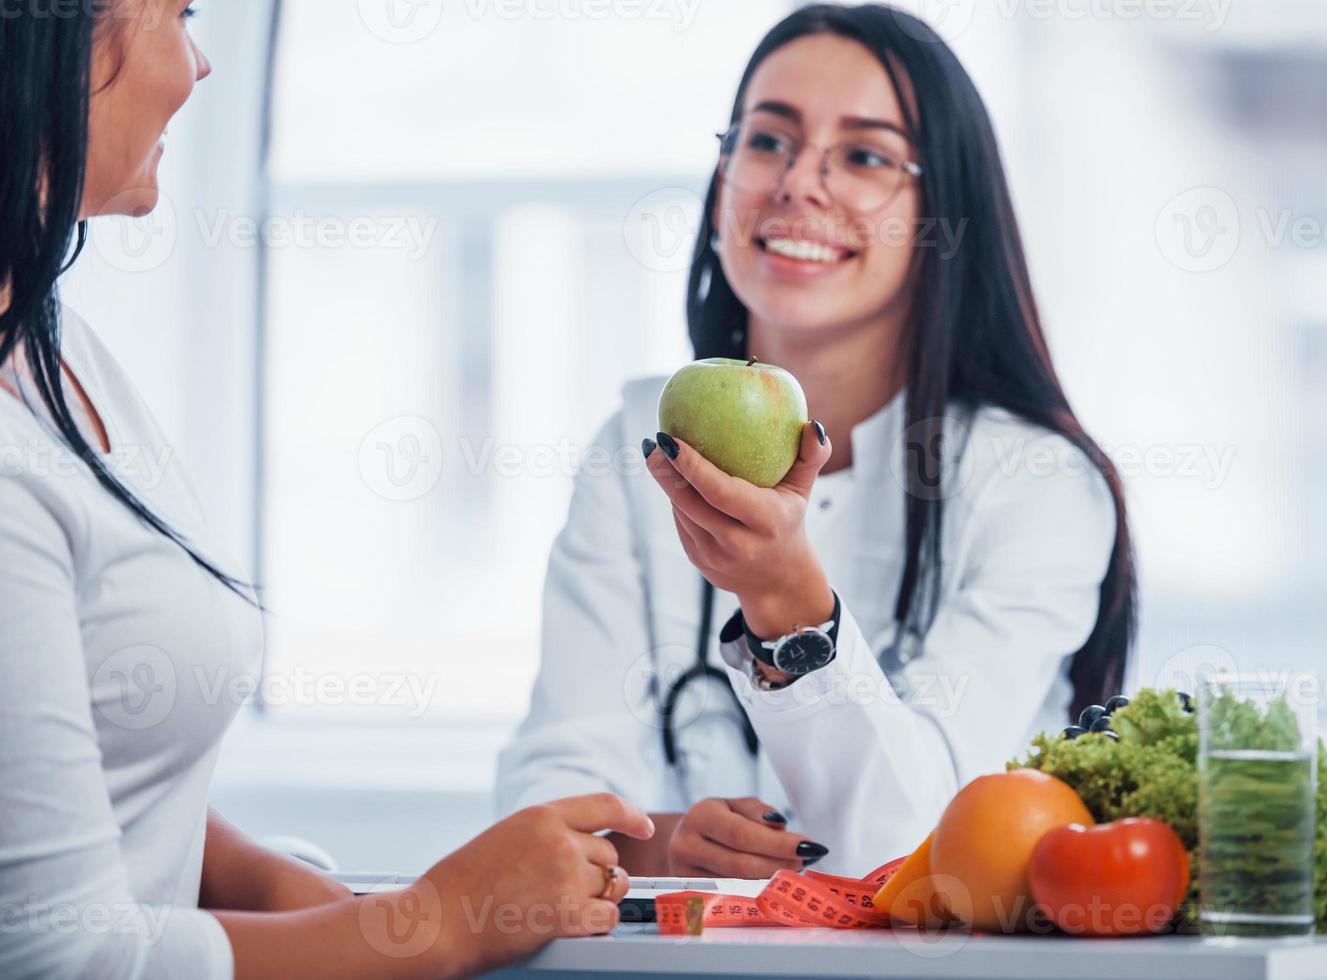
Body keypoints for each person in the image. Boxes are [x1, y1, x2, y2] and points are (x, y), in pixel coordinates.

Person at [0, 3, 652, 977]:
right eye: (178, 14)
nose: (202, 63)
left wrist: (295, 892)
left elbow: (90, 768)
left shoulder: (52, 351)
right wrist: (439, 920)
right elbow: (61, 954)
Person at [496, 3, 1136, 879]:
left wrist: (788, 606)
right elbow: (547, 801)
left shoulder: (1035, 484)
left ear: (945, 209)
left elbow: (919, 851)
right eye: (767, 140)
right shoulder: (634, 447)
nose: (798, 183)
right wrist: (661, 841)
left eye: (866, 155)